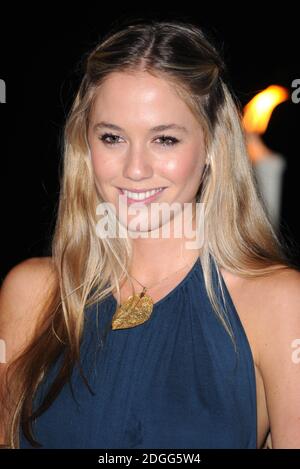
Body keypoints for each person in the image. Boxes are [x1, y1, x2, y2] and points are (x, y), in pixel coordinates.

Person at [0, 18, 300, 450]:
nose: (135, 169)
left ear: (213, 144)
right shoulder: (33, 294)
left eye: (164, 140)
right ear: (85, 144)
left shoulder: (276, 302)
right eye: (112, 138)